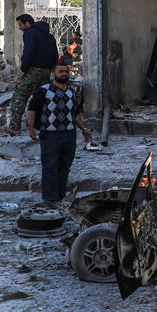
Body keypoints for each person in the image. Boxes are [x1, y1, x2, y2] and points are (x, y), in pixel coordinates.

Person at [27, 59, 93, 206]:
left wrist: (84, 129)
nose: (64, 74)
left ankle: (60, 197)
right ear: (53, 74)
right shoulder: (44, 91)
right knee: (50, 167)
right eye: (61, 71)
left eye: (66, 72)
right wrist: (31, 128)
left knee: (64, 167)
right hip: (50, 135)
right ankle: (49, 199)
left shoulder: (71, 92)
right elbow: (32, 109)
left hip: (69, 135)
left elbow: (75, 114)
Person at [6, 14, 59, 135]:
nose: (19, 27)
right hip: (48, 71)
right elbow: (55, 55)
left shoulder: (30, 33)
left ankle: (14, 127)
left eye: (20, 25)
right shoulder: (49, 36)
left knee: (19, 96)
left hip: (34, 70)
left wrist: (23, 70)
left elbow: (28, 52)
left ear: (27, 23)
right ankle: (45, 125)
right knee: (43, 98)